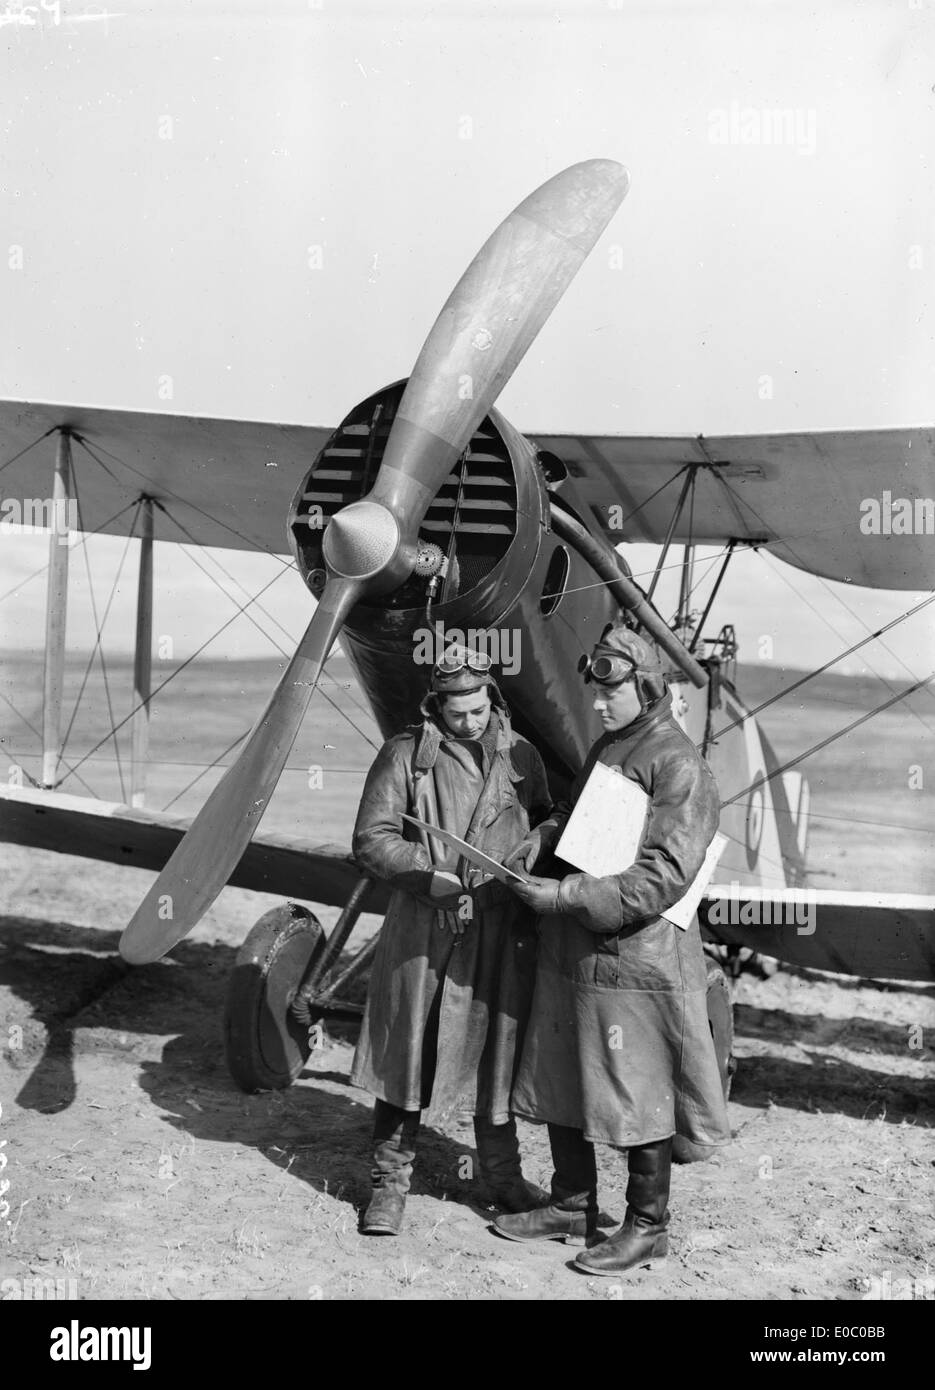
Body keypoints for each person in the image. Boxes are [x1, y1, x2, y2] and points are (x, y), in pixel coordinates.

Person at [492, 622, 731, 1276]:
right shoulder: (612, 745)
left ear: (647, 685)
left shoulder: (678, 764)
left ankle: (647, 1225)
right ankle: (572, 1203)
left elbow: (663, 875)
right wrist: (543, 836)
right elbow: (581, 816)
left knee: (638, 1089)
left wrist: (565, 899)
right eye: (592, 689)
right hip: (580, 952)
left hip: (638, 960)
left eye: (610, 690)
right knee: (563, 1068)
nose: (596, 702)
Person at [349, 644, 553, 1235]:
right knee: (406, 1055)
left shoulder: (521, 754)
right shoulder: (405, 755)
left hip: (496, 926)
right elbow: (371, 837)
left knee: (495, 1055)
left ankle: (503, 1178)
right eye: (456, 712)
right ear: (435, 705)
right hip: (425, 928)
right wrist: (425, 873)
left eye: (478, 710)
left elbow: (547, 813)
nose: (469, 722)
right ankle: (388, 1187)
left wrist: (540, 838)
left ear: (493, 699)